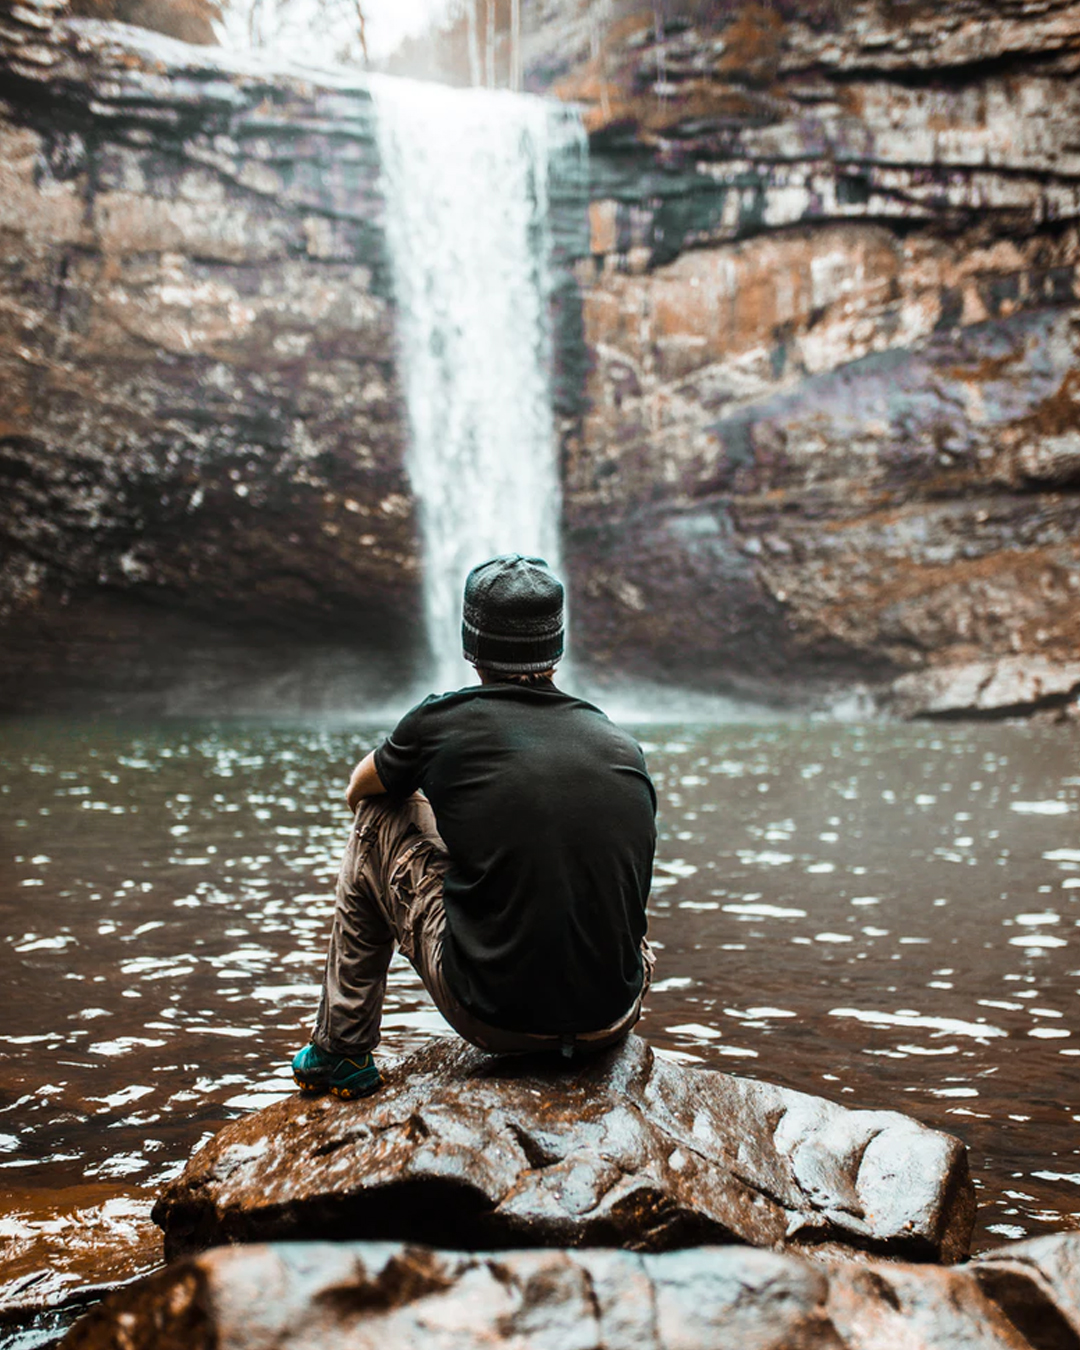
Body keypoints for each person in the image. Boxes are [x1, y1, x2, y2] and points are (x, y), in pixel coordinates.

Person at [291, 553, 657, 1099]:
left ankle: (341, 1051)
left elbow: (359, 791)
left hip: (497, 1018)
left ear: (471, 645)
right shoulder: (617, 743)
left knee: (376, 820)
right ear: (556, 648)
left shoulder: (441, 722)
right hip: (615, 1014)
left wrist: (438, 798)